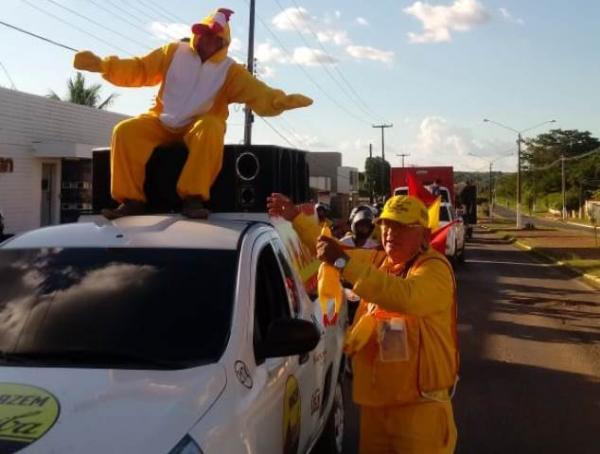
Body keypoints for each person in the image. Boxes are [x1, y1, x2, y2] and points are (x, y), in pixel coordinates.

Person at [73, 8, 312, 219]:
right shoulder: (173, 52)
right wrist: (104, 66)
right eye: (204, 33)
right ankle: (131, 201)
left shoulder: (231, 71)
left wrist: (279, 101)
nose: (207, 39)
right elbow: (140, 69)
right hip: (161, 120)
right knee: (125, 131)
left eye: (213, 35)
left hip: (197, 125)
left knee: (212, 127)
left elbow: (258, 93)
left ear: (222, 41)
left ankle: (193, 198)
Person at [268, 193, 459, 454]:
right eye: (386, 225)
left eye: (401, 226)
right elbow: (327, 250)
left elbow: (403, 296)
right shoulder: (380, 261)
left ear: (424, 235)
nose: (390, 232)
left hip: (421, 409)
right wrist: (295, 219)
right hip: (377, 406)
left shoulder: (435, 269)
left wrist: (344, 263)